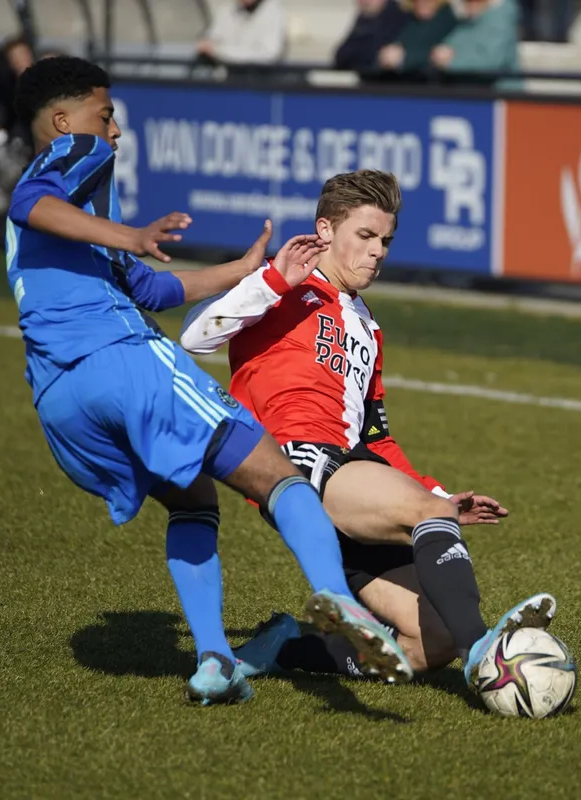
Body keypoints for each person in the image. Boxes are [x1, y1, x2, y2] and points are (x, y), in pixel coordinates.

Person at [5, 56, 413, 703]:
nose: (113, 131)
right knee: (277, 473)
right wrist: (132, 233)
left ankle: (216, 663)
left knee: (194, 501)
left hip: (59, 400)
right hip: (119, 360)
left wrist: (247, 268)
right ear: (63, 120)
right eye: (105, 114)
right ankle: (343, 604)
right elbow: (31, 203)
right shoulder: (76, 154)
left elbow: (151, 287)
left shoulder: (73, 223)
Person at [179, 170, 556, 696]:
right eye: (366, 236)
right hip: (296, 463)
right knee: (432, 539)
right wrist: (272, 282)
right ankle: (482, 655)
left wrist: (439, 495)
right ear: (325, 231)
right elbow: (195, 336)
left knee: (431, 642)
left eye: (386, 241)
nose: (378, 252)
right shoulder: (286, 284)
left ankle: (285, 646)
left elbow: (376, 437)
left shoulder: (367, 326)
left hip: (353, 470)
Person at [431, 0, 522, 90]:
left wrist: (451, 63)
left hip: (499, 97)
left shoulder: (500, 20)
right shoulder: (464, 21)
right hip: (466, 92)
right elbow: (448, 47)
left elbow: (492, 62)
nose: (471, 3)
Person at [376, 0, 456, 76]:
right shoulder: (405, 21)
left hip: (437, 83)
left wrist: (405, 58)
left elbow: (442, 55)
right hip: (401, 81)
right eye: (417, 0)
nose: (423, 3)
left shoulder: (448, 21)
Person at [195, 0, 287, 67]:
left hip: (260, 80)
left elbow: (267, 55)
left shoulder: (273, 12)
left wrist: (219, 51)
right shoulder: (227, 9)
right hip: (228, 77)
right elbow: (213, 35)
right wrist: (207, 42)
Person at [333, 0, 406, 73]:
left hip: (395, 82)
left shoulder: (398, 15)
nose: (363, 2)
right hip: (370, 81)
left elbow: (380, 54)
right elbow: (341, 55)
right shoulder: (365, 18)